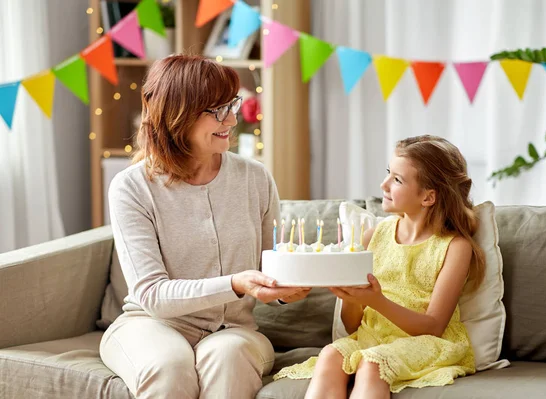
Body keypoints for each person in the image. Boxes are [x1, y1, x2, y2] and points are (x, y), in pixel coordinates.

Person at [99, 54, 310, 399]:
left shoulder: (255, 178)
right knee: (168, 366)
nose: (231, 118)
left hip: (233, 330)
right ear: (176, 115)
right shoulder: (132, 187)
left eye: (231, 104)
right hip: (151, 324)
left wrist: (285, 291)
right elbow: (152, 295)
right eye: (216, 110)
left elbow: (269, 270)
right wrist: (236, 283)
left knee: (229, 356)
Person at [274, 135, 485, 398]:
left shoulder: (454, 247)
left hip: (425, 343)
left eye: (397, 179)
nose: (383, 184)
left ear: (428, 197)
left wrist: (375, 300)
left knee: (373, 363)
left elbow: (433, 326)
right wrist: (351, 298)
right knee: (330, 354)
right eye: (388, 173)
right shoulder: (373, 237)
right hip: (371, 339)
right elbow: (353, 327)